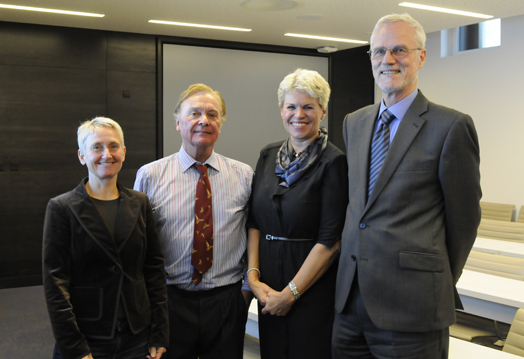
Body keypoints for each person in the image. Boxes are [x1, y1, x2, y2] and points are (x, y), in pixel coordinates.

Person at [332, 13, 482, 359]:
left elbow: (464, 220)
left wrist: (433, 277)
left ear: (421, 57)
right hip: (350, 304)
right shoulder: (354, 123)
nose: (387, 60)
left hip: (413, 307)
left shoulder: (451, 126)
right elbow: (358, 208)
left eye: (399, 50)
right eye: (378, 51)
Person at [134, 84, 254, 359]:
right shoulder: (150, 175)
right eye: (194, 113)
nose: (204, 120)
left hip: (226, 301)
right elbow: (138, 246)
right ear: (178, 123)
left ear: (221, 124)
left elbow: (252, 234)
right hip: (170, 302)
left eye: (213, 114)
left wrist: (244, 294)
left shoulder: (244, 176)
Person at [43, 117, 168, 359]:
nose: (106, 154)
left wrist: (160, 332)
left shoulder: (140, 203)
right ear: (82, 156)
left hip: (137, 335)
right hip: (87, 337)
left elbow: (153, 270)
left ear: (123, 151)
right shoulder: (62, 207)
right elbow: (55, 283)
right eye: (97, 147)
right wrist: (74, 348)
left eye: (113, 146)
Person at [247, 69, 348, 359]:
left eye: (308, 107)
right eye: (291, 106)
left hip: (311, 288)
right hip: (267, 285)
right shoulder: (267, 155)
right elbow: (254, 221)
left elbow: (330, 240)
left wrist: (290, 293)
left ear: (323, 111)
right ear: (281, 111)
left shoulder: (334, 163)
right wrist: (253, 278)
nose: (298, 114)